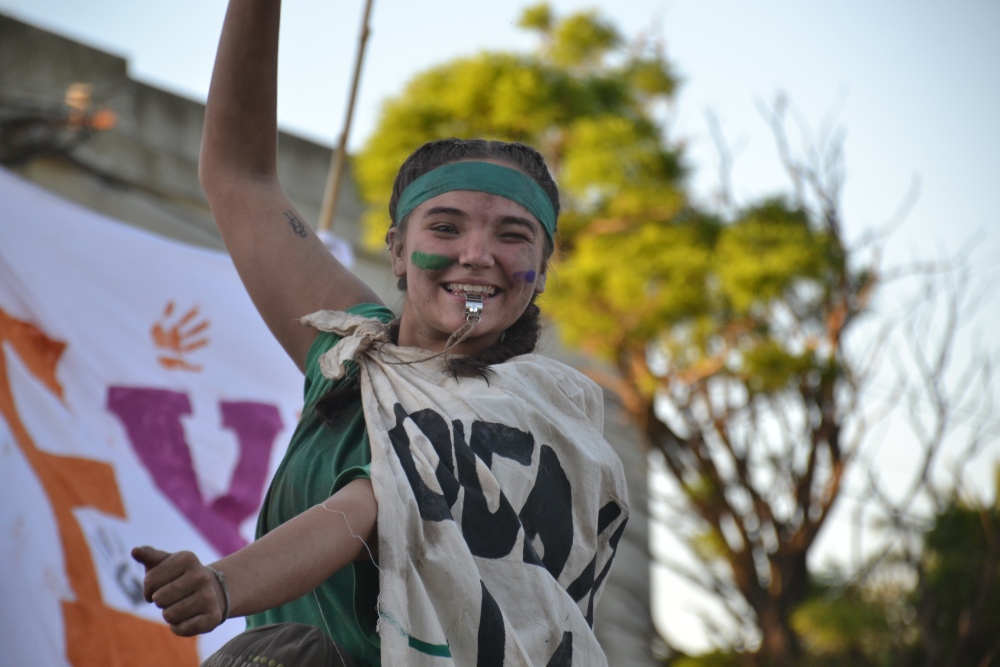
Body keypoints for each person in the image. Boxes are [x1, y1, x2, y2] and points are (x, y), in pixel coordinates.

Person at [131, 1, 629, 665]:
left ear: (541, 269)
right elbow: (238, 177)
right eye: (446, 228)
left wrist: (226, 582)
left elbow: (365, 507)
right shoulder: (356, 352)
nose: (477, 255)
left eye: (512, 235)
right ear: (397, 250)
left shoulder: (537, 406)